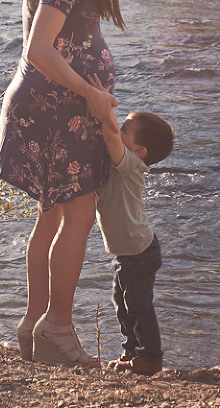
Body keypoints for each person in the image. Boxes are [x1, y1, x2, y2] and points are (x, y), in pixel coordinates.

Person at [0, 0, 147, 367]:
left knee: (52, 217)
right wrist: (91, 96)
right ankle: (57, 328)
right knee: (77, 216)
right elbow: (39, 49)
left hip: (48, 110)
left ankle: (35, 323)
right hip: (59, 112)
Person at [93, 96, 174, 376]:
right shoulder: (124, 160)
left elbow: (111, 136)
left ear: (139, 151)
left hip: (139, 253)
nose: (117, 128)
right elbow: (115, 137)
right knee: (123, 303)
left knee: (138, 306)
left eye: (124, 128)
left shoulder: (129, 165)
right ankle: (132, 351)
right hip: (130, 252)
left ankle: (151, 358)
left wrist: (103, 108)